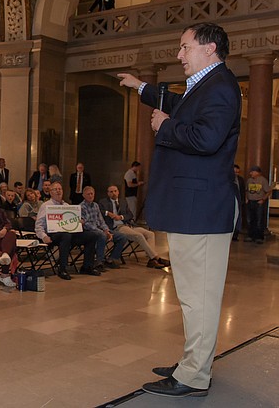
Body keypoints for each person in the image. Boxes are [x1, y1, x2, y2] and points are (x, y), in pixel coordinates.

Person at [118, 22, 241, 398]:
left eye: (185, 47)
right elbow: (179, 105)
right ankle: (194, 361)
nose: (179, 54)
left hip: (201, 209)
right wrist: (142, 88)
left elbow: (205, 137)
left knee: (199, 295)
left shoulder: (220, 87)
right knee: (191, 293)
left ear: (209, 48)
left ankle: (193, 376)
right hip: (194, 207)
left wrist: (167, 127)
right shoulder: (206, 85)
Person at [34, 182, 99, 279]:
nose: (58, 191)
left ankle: (87, 266)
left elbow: (72, 221)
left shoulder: (67, 205)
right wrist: (44, 236)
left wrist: (79, 222)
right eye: (55, 189)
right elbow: (38, 225)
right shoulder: (46, 206)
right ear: (50, 192)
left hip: (69, 234)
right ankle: (62, 268)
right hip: (53, 234)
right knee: (66, 236)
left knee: (92, 235)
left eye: (60, 189)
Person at [98, 185, 167, 269]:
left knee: (150, 234)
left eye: (115, 191)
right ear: (108, 193)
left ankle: (151, 259)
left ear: (118, 192)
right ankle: (155, 258)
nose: (113, 193)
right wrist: (108, 213)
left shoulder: (123, 202)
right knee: (139, 236)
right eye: (111, 192)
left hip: (128, 225)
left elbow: (130, 215)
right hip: (118, 227)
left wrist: (121, 217)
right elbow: (99, 211)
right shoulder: (103, 202)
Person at [79, 186, 126, 271]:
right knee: (102, 236)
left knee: (122, 237)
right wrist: (102, 232)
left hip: (100, 229)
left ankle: (111, 259)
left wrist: (106, 230)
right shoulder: (81, 207)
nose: (90, 196)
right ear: (84, 195)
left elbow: (101, 221)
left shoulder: (96, 205)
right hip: (90, 231)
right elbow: (86, 224)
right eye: (88, 194)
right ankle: (99, 262)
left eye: (92, 194)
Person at [245, 165, 270, 244]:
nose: (250, 173)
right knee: (249, 220)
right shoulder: (249, 180)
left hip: (258, 202)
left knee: (259, 220)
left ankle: (259, 237)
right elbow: (246, 190)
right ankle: (250, 235)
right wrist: (246, 198)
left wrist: (263, 199)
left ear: (257, 172)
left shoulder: (263, 180)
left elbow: (268, 191)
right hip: (250, 202)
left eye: (252, 172)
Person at [233, 164, 246, 241]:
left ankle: (236, 235)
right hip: (231, 200)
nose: (236, 174)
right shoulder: (228, 179)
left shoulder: (241, 180)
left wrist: (243, 200)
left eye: (237, 172)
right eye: (234, 172)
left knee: (238, 217)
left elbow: (243, 190)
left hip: (239, 200)